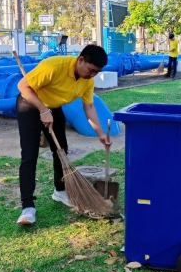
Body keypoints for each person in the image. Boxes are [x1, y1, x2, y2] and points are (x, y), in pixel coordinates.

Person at [15, 45, 111, 225]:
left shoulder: (87, 80)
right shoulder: (54, 66)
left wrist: (99, 133)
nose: (92, 75)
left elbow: (89, 107)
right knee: (29, 155)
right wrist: (43, 110)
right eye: (91, 70)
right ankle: (28, 208)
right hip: (29, 105)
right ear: (81, 60)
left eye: (96, 73)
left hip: (53, 107)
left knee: (61, 151)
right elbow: (23, 86)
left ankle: (60, 190)